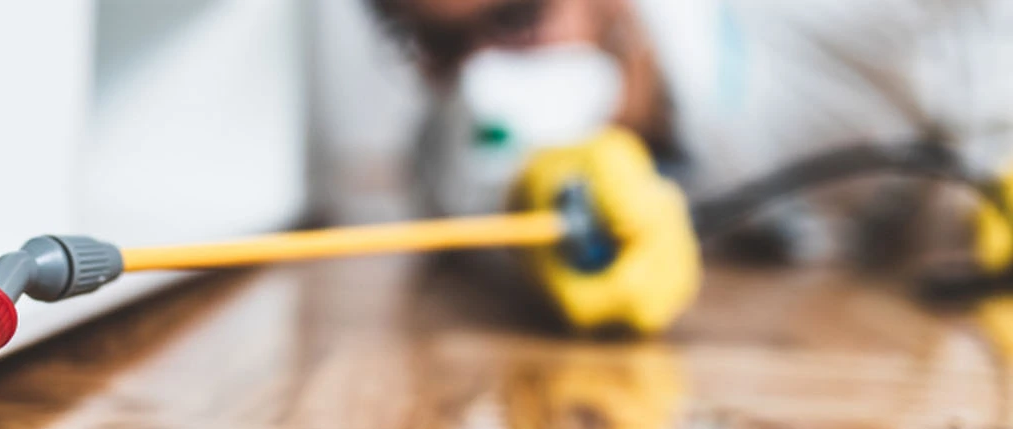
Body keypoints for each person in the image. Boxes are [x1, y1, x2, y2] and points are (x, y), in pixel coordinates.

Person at [368, 0, 1013, 270]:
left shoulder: (822, 19)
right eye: (442, 43)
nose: (483, 74)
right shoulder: (455, 157)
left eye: (516, 14)